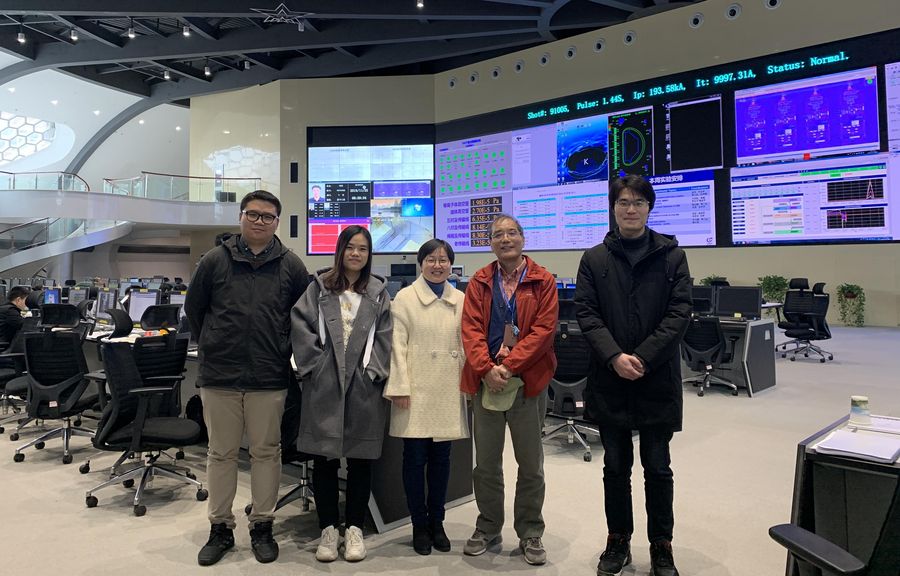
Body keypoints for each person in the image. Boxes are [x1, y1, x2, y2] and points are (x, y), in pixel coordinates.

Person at [573, 174, 692, 576]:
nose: (630, 209)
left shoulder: (672, 256)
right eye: (623, 202)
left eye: (638, 202)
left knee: (657, 468)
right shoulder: (594, 259)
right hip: (610, 379)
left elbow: (679, 313)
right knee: (615, 468)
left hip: (655, 379)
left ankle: (662, 545)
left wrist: (641, 357)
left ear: (649, 208)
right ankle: (618, 540)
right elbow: (587, 313)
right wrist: (614, 357)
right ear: (613, 208)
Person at [185, 190, 310, 567]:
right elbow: (195, 309)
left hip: (268, 374)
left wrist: (281, 347)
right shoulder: (214, 260)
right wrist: (214, 343)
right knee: (221, 453)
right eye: (253, 214)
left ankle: (262, 526)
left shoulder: (291, 265)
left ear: (277, 223)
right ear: (240, 217)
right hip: (220, 375)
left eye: (267, 216)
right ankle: (220, 528)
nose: (259, 221)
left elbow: (302, 316)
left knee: (266, 453)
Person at [460, 213, 558, 566]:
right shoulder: (479, 281)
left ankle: (530, 530)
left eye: (512, 233)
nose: (506, 239)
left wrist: (510, 365)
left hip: (526, 383)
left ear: (522, 238)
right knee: (486, 464)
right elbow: (470, 329)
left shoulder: (543, 280)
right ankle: (488, 526)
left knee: (530, 464)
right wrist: (486, 369)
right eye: (498, 234)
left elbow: (543, 331)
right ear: (490, 243)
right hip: (486, 382)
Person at [291, 225, 392, 563]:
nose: (356, 254)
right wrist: (315, 368)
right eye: (350, 247)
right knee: (324, 459)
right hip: (325, 385)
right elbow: (300, 326)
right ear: (340, 250)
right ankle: (328, 529)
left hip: (364, 386)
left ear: (369, 254)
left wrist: (374, 372)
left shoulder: (378, 292)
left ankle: (355, 529)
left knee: (361, 460)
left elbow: (386, 335)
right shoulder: (319, 287)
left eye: (363, 249)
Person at [384, 238, 468, 556]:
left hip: (447, 388)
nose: (437, 265)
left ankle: (438, 522)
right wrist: (399, 387)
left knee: (442, 461)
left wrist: (468, 384)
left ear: (451, 265)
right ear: (421, 264)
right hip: (415, 390)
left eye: (443, 260)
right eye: (431, 259)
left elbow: (466, 344)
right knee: (414, 460)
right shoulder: (405, 298)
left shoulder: (460, 299)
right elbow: (396, 346)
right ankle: (419, 524)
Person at [0, 285, 30, 351]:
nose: (28, 303)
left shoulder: (5, 307)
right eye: (26, 301)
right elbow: (24, 326)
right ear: (18, 300)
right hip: (4, 348)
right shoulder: (10, 311)